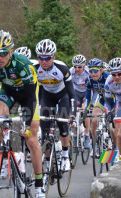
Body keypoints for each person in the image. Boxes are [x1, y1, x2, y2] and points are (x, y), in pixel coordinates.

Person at [0, 30, 44, 197]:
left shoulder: (22, 65)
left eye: (4, 53)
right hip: (8, 92)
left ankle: (39, 184)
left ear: (11, 52)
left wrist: (27, 125)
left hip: (28, 94)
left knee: (31, 137)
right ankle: (6, 158)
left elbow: (30, 98)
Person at [35, 39, 76, 172]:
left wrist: (73, 114)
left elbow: (72, 94)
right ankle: (48, 163)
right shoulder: (35, 69)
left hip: (62, 96)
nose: (44, 61)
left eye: (47, 57)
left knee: (62, 122)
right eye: (41, 57)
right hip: (47, 97)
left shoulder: (62, 69)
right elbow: (33, 91)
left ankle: (65, 156)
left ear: (54, 56)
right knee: (45, 129)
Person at [84, 58, 116, 153]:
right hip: (102, 99)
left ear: (101, 70)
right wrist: (86, 108)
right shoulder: (89, 80)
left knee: (112, 126)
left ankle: (115, 146)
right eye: (91, 71)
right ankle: (95, 145)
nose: (93, 73)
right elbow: (88, 96)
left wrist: (113, 110)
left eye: (95, 71)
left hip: (112, 100)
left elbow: (117, 94)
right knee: (94, 120)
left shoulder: (109, 78)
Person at [70, 54, 90, 150]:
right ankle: (74, 137)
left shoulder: (88, 72)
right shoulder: (71, 72)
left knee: (86, 112)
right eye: (75, 67)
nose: (77, 69)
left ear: (84, 66)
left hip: (87, 92)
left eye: (79, 67)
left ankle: (87, 135)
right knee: (74, 113)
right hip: (76, 93)